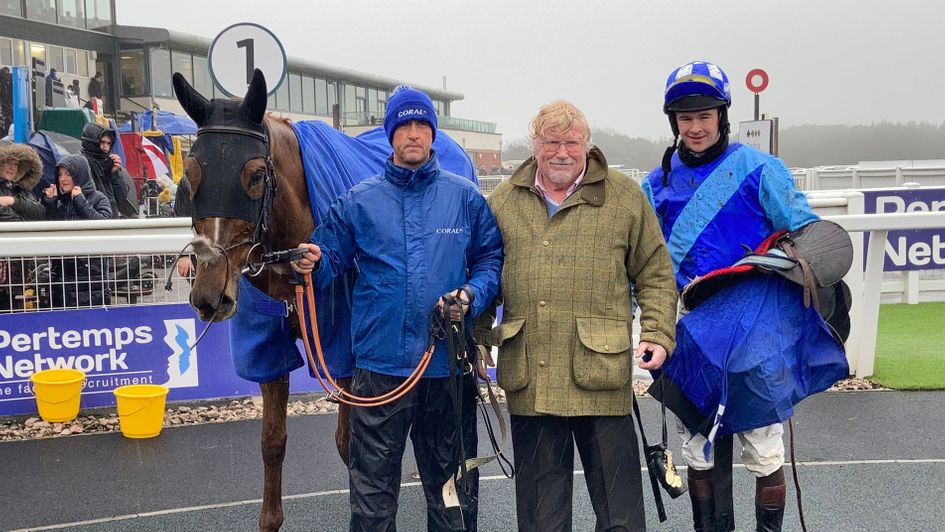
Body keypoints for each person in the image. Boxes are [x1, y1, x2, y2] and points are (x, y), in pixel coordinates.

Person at [291, 85, 503, 531]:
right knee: (372, 500)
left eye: (421, 125)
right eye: (403, 125)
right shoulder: (358, 200)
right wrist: (311, 262)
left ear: (432, 134)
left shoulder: (465, 197)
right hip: (379, 371)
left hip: (448, 370)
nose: (413, 134)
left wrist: (470, 295)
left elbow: (489, 260)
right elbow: (327, 262)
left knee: (452, 498)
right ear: (391, 135)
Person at [475, 101, 678, 531]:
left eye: (571, 142)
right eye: (551, 142)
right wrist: (476, 337)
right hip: (531, 376)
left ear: (587, 145)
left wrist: (658, 333)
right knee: (540, 518)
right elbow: (483, 274)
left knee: (619, 514)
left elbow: (656, 273)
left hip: (601, 375)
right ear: (535, 146)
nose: (561, 151)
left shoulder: (625, 197)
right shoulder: (504, 201)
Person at [641, 61, 821, 532]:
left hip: (754, 330)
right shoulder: (654, 184)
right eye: (685, 118)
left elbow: (808, 236)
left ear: (722, 115)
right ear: (673, 121)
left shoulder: (761, 170)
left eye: (704, 115)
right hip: (691, 329)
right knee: (698, 449)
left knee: (764, 447)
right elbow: (638, 255)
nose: (695, 127)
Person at [42, 154, 114, 307]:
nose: (63, 179)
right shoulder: (61, 201)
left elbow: (104, 225)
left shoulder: (98, 198)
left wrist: (80, 200)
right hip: (63, 277)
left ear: (80, 174)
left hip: (91, 277)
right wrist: (50, 205)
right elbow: (52, 233)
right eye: (60, 174)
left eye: (68, 174)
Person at [0, 142, 45, 310]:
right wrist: (22, 220)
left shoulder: (20, 190)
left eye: (16, 163)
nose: (13, 167)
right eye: (8, 161)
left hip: (19, 271)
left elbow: (40, 213)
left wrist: (13, 201)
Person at [79, 122, 136, 217]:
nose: (106, 147)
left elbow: (121, 200)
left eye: (109, 143)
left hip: (110, 220)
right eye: (102, 142)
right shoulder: (82, 164)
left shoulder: (107, 164)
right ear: (92, 141)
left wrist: (115, 174)